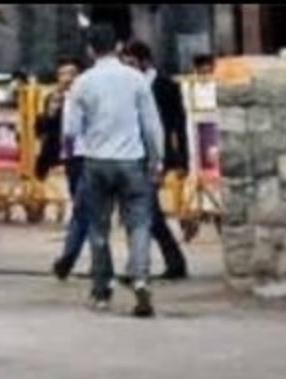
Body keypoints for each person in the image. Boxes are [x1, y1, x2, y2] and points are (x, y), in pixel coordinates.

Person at [64, 24, 163, 317]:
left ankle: (101, 289)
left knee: (99, 227)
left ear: (90, 49)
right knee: (139, 223)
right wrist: (156, 160)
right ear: (119, 47)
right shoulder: (135, 80)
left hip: (96, 161)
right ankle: (141, 278)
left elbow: (70, 130)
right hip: (132, 159)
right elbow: (151, 125)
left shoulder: (82, 83)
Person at [121, 40, 190, 280]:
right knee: (146, 212)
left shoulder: (165, 86)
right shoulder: (126, 85)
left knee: (145, 211)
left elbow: (178, 125)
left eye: (131, 63)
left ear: (144, 61)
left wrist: (182, 159)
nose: (128, 68)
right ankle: (172, 261)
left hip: (156, 155)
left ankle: (141, 266)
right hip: (132, 153)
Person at [36, 57, 91, 280]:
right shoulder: (54, 98)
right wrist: (50, 111)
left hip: (87, 156)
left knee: (82, 209)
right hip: (70, 160)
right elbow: (41, 130)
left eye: (72, 73)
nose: (67, 79)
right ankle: (71, 259)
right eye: (62, 74)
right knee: (83, 210)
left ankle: (68, 259)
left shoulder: (88, 98)